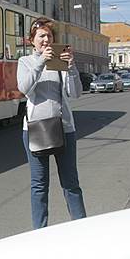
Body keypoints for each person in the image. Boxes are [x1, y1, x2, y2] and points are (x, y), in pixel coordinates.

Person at [17, 17, 87, 229]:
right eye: (41, 36)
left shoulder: (60, 61)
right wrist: (40, 62)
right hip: (36, 129)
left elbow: (75, 93)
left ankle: (82, 227)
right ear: (32, 41)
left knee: (71, 183)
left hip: (64, 128)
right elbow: (25, 88)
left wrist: (72, 68)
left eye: (49, 36)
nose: (46, 40)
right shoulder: (25, 62)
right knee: (39, 185)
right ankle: (40, 231)